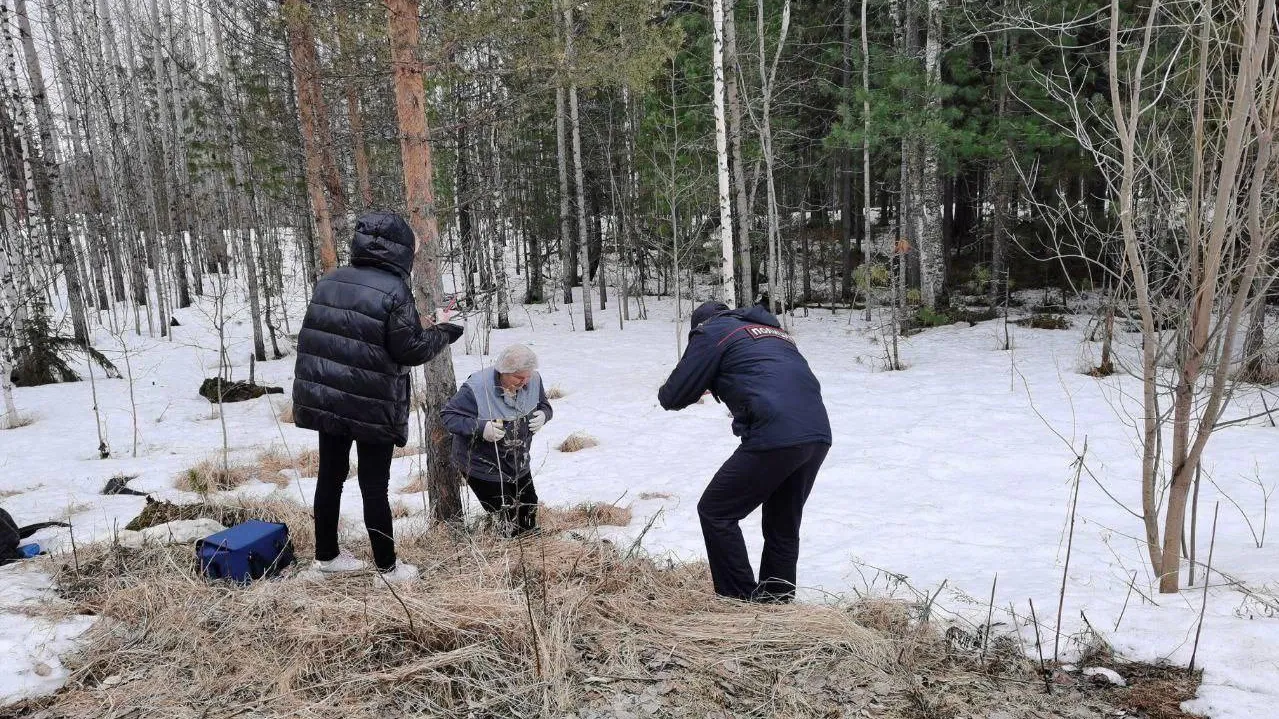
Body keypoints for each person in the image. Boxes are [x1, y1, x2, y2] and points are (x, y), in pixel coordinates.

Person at [292, 211, 463, 582]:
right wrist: (446, 331)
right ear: (399, 250)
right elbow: (409, 351)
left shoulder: (331, 280)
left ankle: (327, 559)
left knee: (330, 477)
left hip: (327, 398)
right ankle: (387, 568)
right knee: (374, 484)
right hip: (371, 403)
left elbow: (347, 334)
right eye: (413, 250)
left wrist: (423, 325)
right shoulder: (394, 289)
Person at [658, 301, 831, 602]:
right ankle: (776, 605)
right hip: (816, 433)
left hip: (775, 431)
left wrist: (703, 377)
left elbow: (674, 395)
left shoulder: (712, 331)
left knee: (716, 511)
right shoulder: (773, 332)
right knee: (782, 523)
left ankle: (738, 602)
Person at [442, 344, 552, 537]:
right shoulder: (476, 388)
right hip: (482, 465)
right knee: (507, 513)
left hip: (518, 461)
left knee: (529, 507)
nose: (525, 382)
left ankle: (529, 551)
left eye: (528, 376)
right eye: (519, 378)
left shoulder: (533, 380)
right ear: (503, 371)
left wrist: (544, 414)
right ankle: (509, 556)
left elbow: (544, 404)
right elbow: (449, 416)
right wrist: (481, 428)